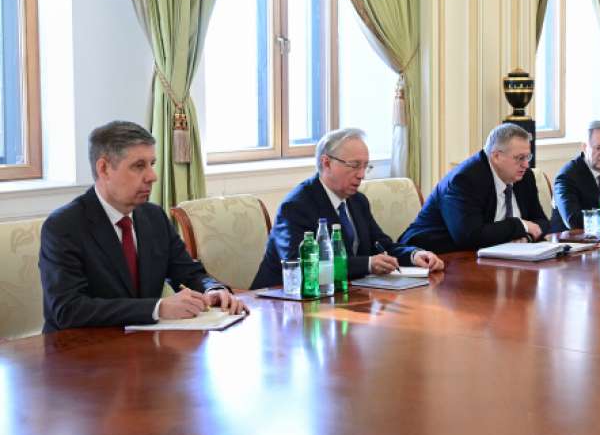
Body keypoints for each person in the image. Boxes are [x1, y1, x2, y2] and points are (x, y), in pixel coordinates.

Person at [39, 121, 247, 332]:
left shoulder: (154, 216)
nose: (152, 176)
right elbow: (68, 309)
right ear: (104, 169)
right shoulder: (63, 226)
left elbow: (188, 272)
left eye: (152, 164)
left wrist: (212, 290)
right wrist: (157, 308)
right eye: (139, 166)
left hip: (143, 344)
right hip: (80, 347)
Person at [250, 128, 444, 289]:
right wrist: (367, 264)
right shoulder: (296, 206)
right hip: (283, 302)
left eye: (366, 166)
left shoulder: (358, 201)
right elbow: (302, 265)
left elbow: (382, 246)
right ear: (326, 163)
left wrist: (414, 255)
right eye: (354, 165)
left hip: (342, 296)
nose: (361, 175)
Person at [399, 123, 550, 251]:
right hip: (432, 256)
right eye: (519, 158)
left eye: (527, 157)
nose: (526, 164)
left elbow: (542, 222)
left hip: (489, 258)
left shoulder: (524, 176)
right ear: (496, 156)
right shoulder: (465, 179)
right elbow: (470, 236)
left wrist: (526, 237)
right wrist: (520, 225)